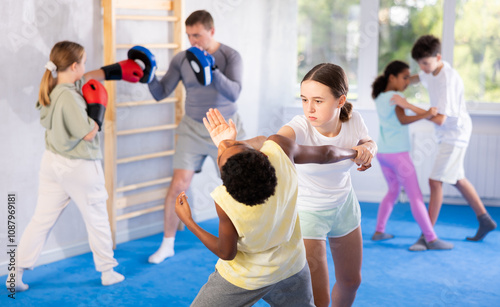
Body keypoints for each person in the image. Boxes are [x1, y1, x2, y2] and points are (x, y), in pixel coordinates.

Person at [5, 40, 150, 292]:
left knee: (40, 221)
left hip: (52, 164)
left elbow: (87, 76)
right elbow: (88, 134)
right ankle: (108, 272)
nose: (86, 66)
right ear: (74, 65)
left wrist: (117, 70)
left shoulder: (51, 88)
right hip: (80, 166)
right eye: (83, 62)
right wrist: (99, 114)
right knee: (97, 220)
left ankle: (14, 274)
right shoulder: (71, 98)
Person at [175, 108, 358, 306]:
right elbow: (328, 153)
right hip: (291, 268)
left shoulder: (225, 201)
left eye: (226, 150)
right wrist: (356, 153)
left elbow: (227, 252)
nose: (225, 144)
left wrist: (189, 221)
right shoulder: (280, 151)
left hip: (246, 278)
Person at [147, 10, 245, 264]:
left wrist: (211, 67)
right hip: (192, 127)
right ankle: (167, 244)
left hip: (224, 129)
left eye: (198, 35)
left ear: (211, 32)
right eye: (189, 35)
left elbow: (234, 93)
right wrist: (149, 78)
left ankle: (241, 242)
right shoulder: (182, 59)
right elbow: (161, 92)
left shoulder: (229, 56)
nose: (193, 41)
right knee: (178, 185)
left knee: (234, 187)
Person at [276, 63, 376, 307]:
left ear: (340, 100)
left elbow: (369, 142)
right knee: (318, 300)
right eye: (304, 99)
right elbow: (276, 141)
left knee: (351, 282)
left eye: (318, 101)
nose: (309, 108)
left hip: (345, 207)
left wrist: (368, 150)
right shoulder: (300, 125)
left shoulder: (354, 120)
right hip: (309, 214)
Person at [392, 35, 496, 246]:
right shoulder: (432, 69)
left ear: (438, 57)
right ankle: (485, 220)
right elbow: (415, 78)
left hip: (454, 134)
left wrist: (408, 105)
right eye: (420, 63)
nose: (423, 67)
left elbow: (439, 119)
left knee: (435, 180)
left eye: (426, 63)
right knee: (457, 179)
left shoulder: (447, 79)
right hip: (448, 134)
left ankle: (427, 236)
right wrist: (392, 81)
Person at [370, 60, 454, 251]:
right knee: (415, 195)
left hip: (382, 153)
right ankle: (431, 239)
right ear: (392, 77)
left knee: (392, 191)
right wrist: (425, 114)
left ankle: (379, 231)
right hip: (398, 154)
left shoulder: (379, 96)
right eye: (404, 77)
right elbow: (403, 119)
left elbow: (398, 117)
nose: (407, 81)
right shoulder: (396, 96)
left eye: (409, 77)